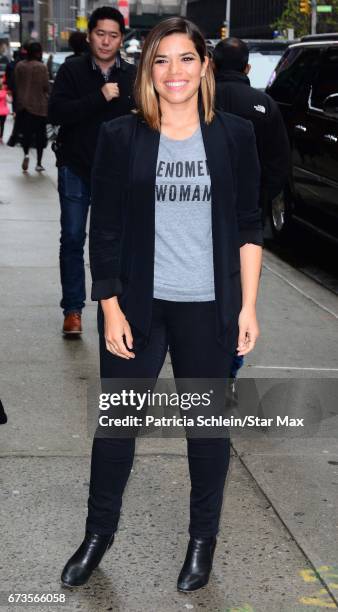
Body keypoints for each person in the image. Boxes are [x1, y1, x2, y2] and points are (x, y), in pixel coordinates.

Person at [60, 17, 263, 592]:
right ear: (148, 70)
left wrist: (247, 307)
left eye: (186, 59)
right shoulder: (122, 137)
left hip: (210, 307)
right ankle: (98, 535)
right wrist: (111, 306)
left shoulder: (234, 136)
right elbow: (106, 230)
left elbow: (249, 228)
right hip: (140, 307)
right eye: (162, 60)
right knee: (118, 426)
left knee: (206, 430)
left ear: (204, 67)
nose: (175, 72)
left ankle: (202, 542)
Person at [48, 6, 136, 336]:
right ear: (90, 36)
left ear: (121, 39)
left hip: (116, 173)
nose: (106, 41)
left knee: (115, 240)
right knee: (72, 238)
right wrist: (99, 97)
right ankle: (72, 310)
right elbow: (56, 113)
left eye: (113, 35)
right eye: (100, 34)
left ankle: (114, 305)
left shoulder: (131, 76)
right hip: (76, 167)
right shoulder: (72, 70)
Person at [213, 37, 290, 383]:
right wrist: (259, 198)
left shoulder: (198, 99)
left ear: (211, 65)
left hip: (203, 211)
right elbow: (279, 164)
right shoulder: (264, 105)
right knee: (241, 293)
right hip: (246, 219)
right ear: (247, 67)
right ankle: (228, 368)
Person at [14, 42, 49, 172]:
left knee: (26, 134)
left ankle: (26, 154)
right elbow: (46, 86)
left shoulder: (20, 66)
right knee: (40, 135)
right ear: (38, 53)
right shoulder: (42, 67)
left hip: (23, 105)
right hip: (39, 106)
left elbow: (16, 84)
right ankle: (39, 163)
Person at [0, 75, 10, 143]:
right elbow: (10, 100)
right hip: (3, 111)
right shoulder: (5, 93)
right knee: (2, 124)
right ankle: (1, 137)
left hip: (2, 111)